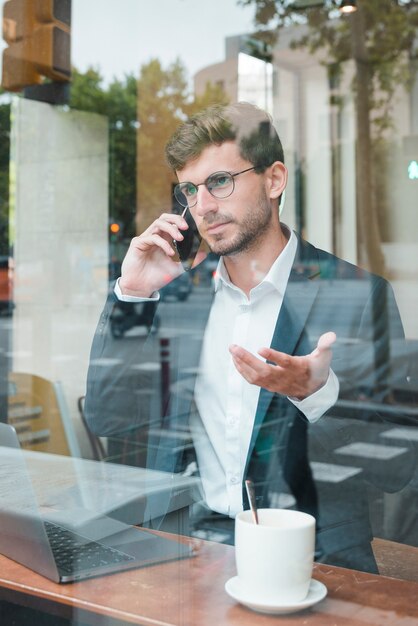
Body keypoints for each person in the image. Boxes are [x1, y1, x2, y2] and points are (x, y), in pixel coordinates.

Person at [85, 102, 414, 573]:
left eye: (219, 181)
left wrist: (319, 393)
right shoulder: (181, 299)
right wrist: (134, 297)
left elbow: (396, 468)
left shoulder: (358, 297)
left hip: (315, 560)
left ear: (274, 179)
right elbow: (108, 416)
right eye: (190, 190)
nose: (203, 206)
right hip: (185, 553)